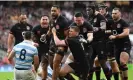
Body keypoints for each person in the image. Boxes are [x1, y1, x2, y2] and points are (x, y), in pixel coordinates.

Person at [94, 3, 120, 80]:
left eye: (102, 9)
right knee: (97, 61)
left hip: (110, 43)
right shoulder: (98, 18)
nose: (101, 10)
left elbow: (113, 30)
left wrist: (103, 31)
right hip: (102, 43)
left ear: (106, 9)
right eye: (100, 9)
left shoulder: (110, 17)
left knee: (112, 63)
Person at [86, 3, 111, 80]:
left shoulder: (100, 17)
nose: (87, 12)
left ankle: (108, 78)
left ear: (93, 10)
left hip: (100, 42)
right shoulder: (89, 17)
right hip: (92, 43)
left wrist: (96, 29)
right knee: (89, 62)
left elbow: (103, 28)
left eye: (89, 10)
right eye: (86, 10)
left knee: (102, 62)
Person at [109, 8, 131, 80]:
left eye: (115, 13)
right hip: (116, 46)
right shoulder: (110, 23)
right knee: (119, 66)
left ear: (119, 14)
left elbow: (126, 33)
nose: (113, 15)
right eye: (112, 13)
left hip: (125, 44)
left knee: (122, 62)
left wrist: (116, 36)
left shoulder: (123, 22)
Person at [49, 5, 69, 80]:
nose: (53, 12)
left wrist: (64, 45)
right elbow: (50, 30)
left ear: (59, 11)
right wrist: (46, 35)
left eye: (54, 11)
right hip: (52, 44)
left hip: (61, 45)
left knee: (55, 64)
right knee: (52, 66)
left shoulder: (64, 21)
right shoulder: (51, 20)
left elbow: (67, 36)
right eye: (52, 11)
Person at [32, 15, 51, 80]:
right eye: (43, 19)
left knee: (44, 67)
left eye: (46, 19)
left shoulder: (51, 29)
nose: (45, 21)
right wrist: (34, 42)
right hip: (36, 51)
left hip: (47, 51)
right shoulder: (36, 28)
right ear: (40, 21)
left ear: (48, 21)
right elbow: (33, 37)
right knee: (34, 67)